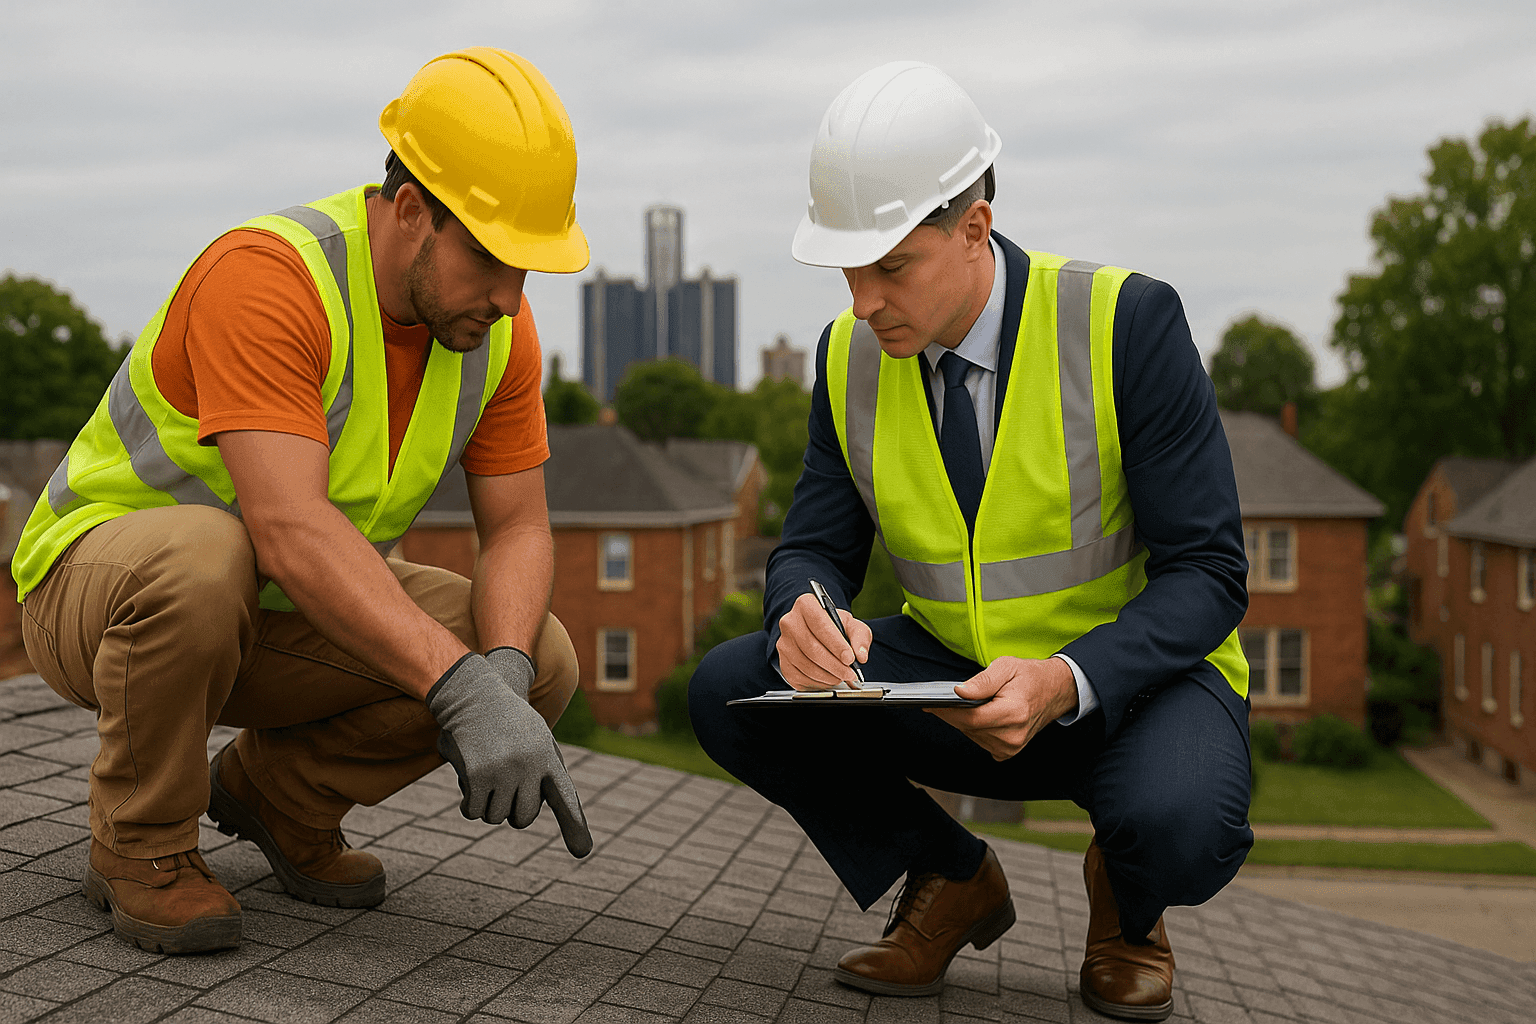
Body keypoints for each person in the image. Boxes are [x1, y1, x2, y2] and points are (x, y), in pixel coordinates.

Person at [689, 62, 1253, 1022]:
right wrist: (802, 611)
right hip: (951, 684)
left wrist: (1064, 679)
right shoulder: (847, 359)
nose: (862, 302)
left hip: (1130, 690)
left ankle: (1129, 905)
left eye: (891, 266)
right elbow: (811, 543)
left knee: (1176, 819)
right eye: (847, 271)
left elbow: (1210, 574)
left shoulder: (1126, 325)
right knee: (733, 691)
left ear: (975, 230)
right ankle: (951, 878)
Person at [12, 48, 594, 956]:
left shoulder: (495, 334)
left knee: (538, 650)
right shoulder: (272, 277)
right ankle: (142, 843)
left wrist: (503, 678)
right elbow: (285, 528)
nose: (512, 297)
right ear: (410, 211)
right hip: (100, 593)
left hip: (273, 612)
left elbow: (518, 527)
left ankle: (279, 801)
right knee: (211, 556)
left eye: (530, 267)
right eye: (491, 258)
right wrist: (454, 687)